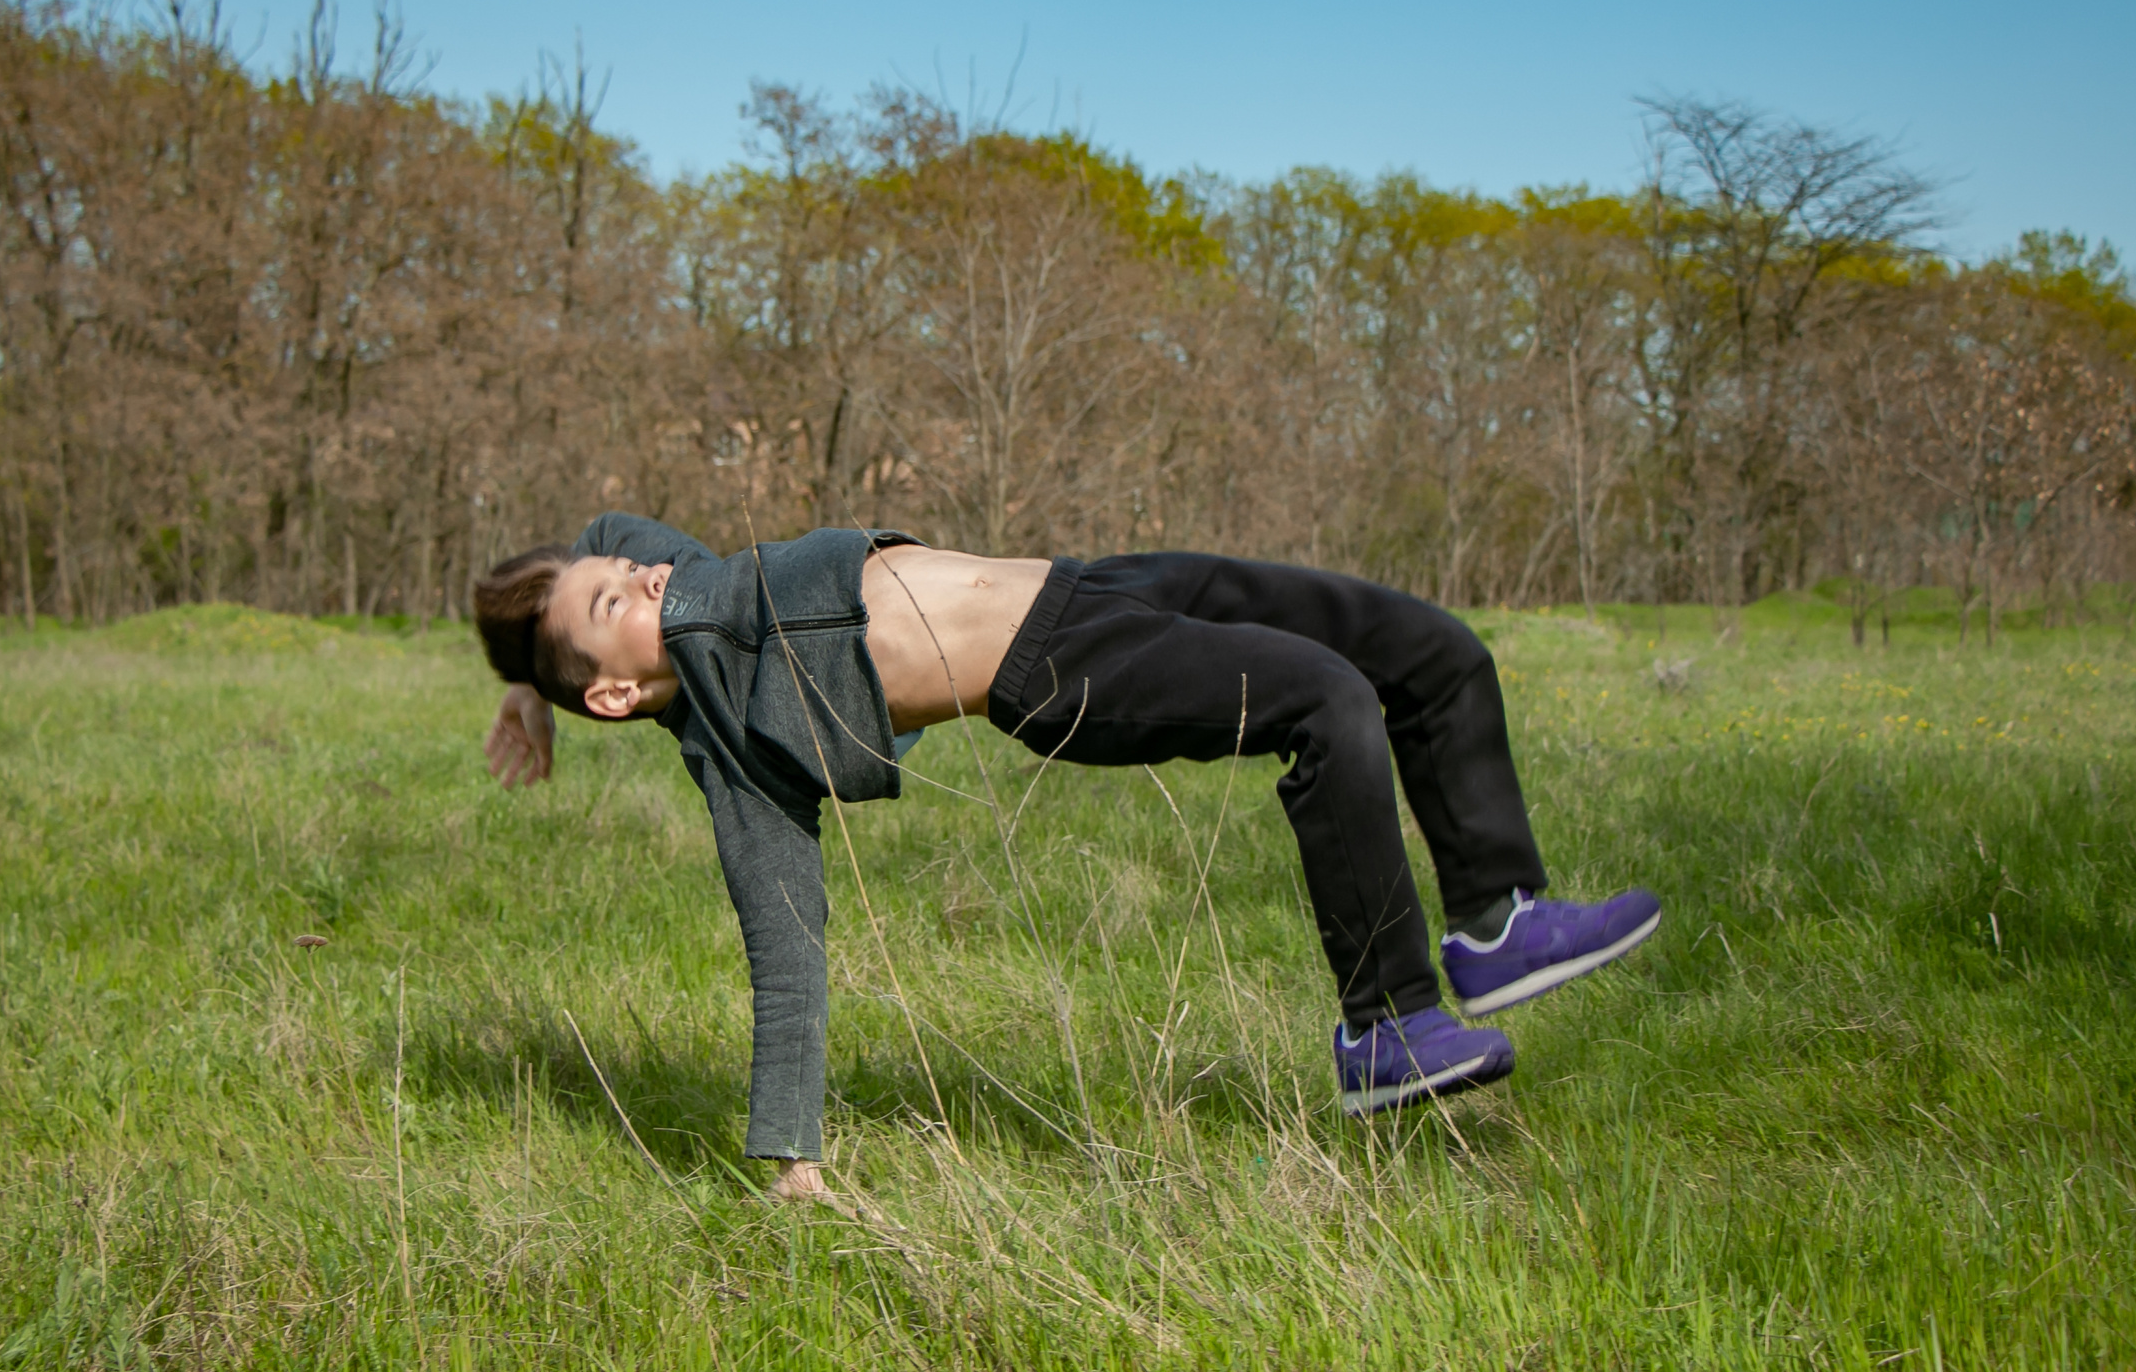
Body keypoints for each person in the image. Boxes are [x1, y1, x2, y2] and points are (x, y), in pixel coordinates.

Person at [477, 514, 1659, 1203]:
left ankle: (1498, 918)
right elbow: (786, 958)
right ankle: (1385, 1026)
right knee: (1330, 702)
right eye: (608, 607)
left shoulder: (677, 572)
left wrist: (528, 692)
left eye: (622, 574)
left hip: (1095, 582)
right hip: (1058, 672)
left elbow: (597, 537)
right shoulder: (742, 751)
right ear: (621, 690)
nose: (635, 576)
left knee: (1430, 651)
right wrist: (790, 1159)